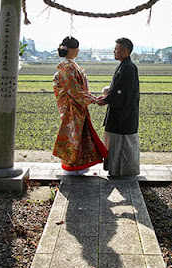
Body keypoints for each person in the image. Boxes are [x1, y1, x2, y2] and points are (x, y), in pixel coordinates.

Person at [52, 36, 108, 174]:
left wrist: (91, 98)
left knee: (79, 135)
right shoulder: (67, 67)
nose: (78, 50)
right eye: (76, 48)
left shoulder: (70, 65)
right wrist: (93, 99)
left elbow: (77, 90)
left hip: (77, 106)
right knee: (74, 136)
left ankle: (79, 165)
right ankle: (72, 166)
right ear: (70, 49)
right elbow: (74, 90)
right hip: (72, 107)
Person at [99, 37, 140, 176]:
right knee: (117, 145)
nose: (114, 52)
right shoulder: (124, 66)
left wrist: (106, 100)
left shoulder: (129, 68)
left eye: (116, 49)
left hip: (124, 115)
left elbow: (121, 92)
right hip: (121, 113)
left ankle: (124, 172)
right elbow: (117, 89)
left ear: (125, 50)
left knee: (123, 145)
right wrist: (108, 97)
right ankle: (117, 171)